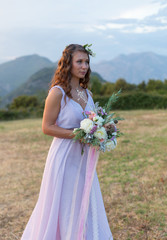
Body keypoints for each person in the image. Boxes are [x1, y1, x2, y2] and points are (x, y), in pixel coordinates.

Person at [21, 44, 113, 240]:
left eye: (86, 62)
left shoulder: (88, 94)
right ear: (67, 64)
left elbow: (93, 122)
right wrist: (79, 133)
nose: (84, 66)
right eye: (79, 62)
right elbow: (47, 127)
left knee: (84, 202)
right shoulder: (57, 93)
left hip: (84, 158)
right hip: (63, 157)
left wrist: (103, 129)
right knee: (64, 204)